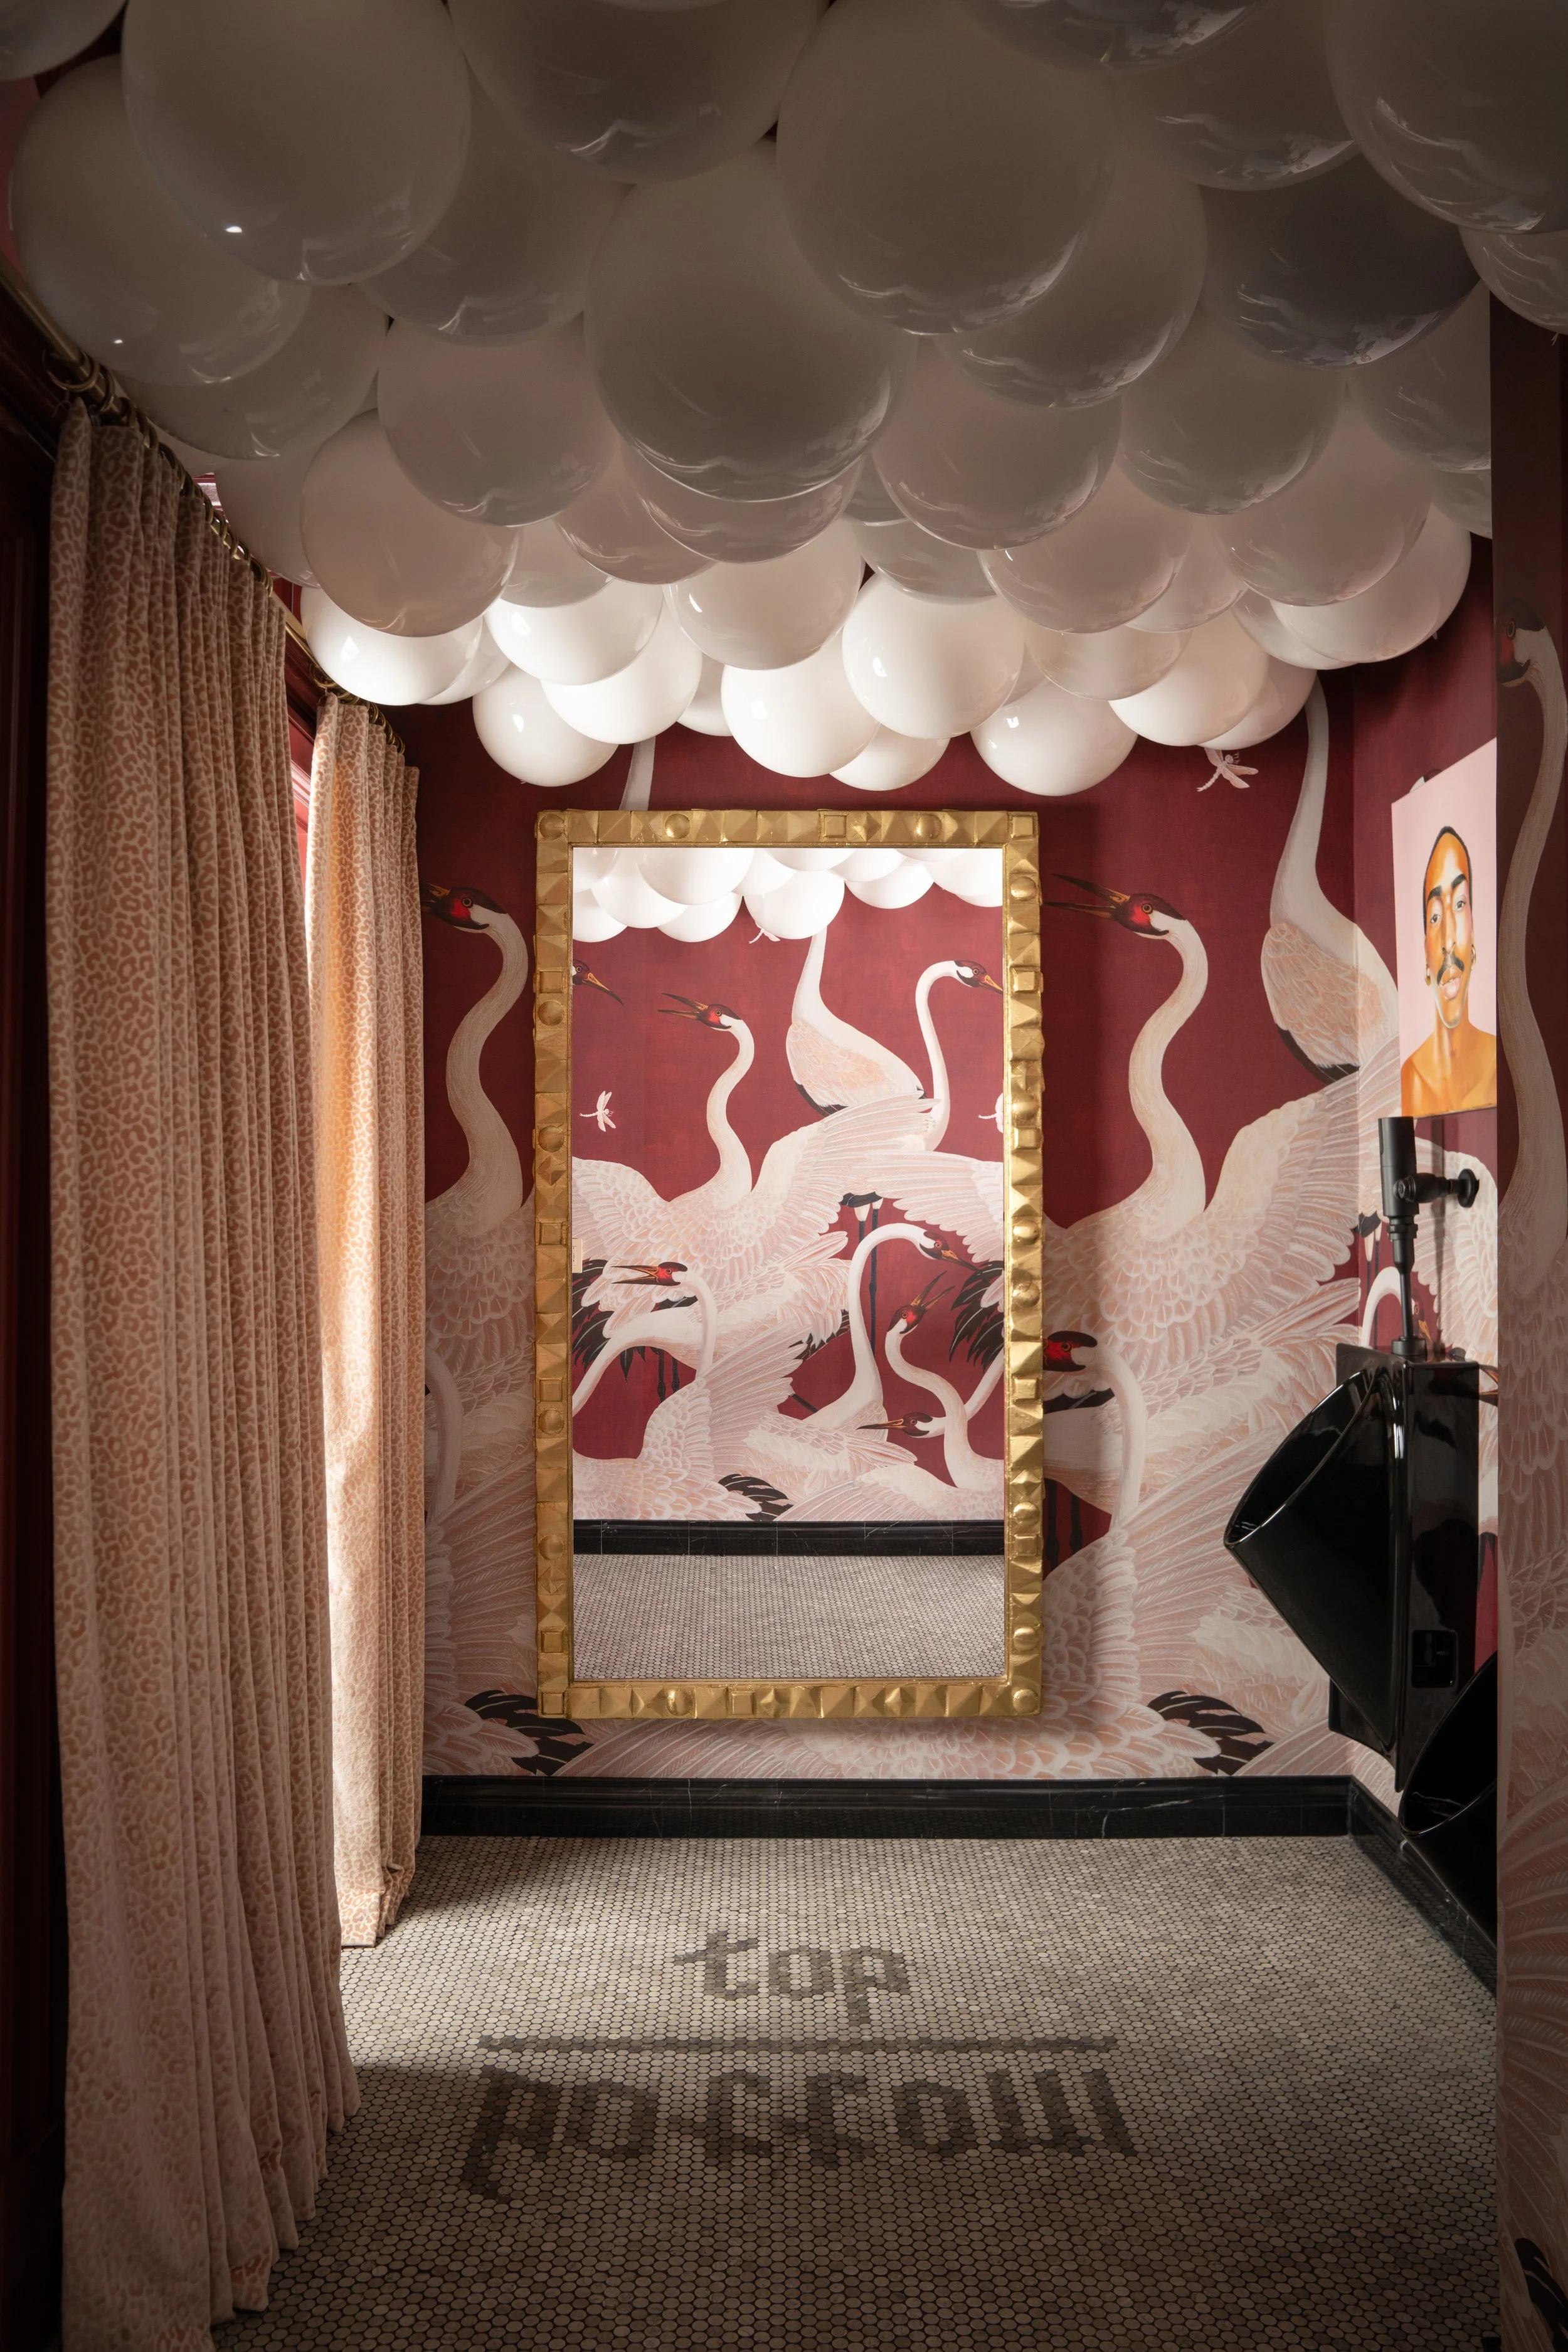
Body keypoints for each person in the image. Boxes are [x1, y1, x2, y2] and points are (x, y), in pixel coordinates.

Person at [1400, 824, 1497, 1115]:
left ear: (1474, 933)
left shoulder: (1501, 1065)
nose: (1448, 940)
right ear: (1426, 958)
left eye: (1459, 904)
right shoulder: (1412, 1077)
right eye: (1435, 917)